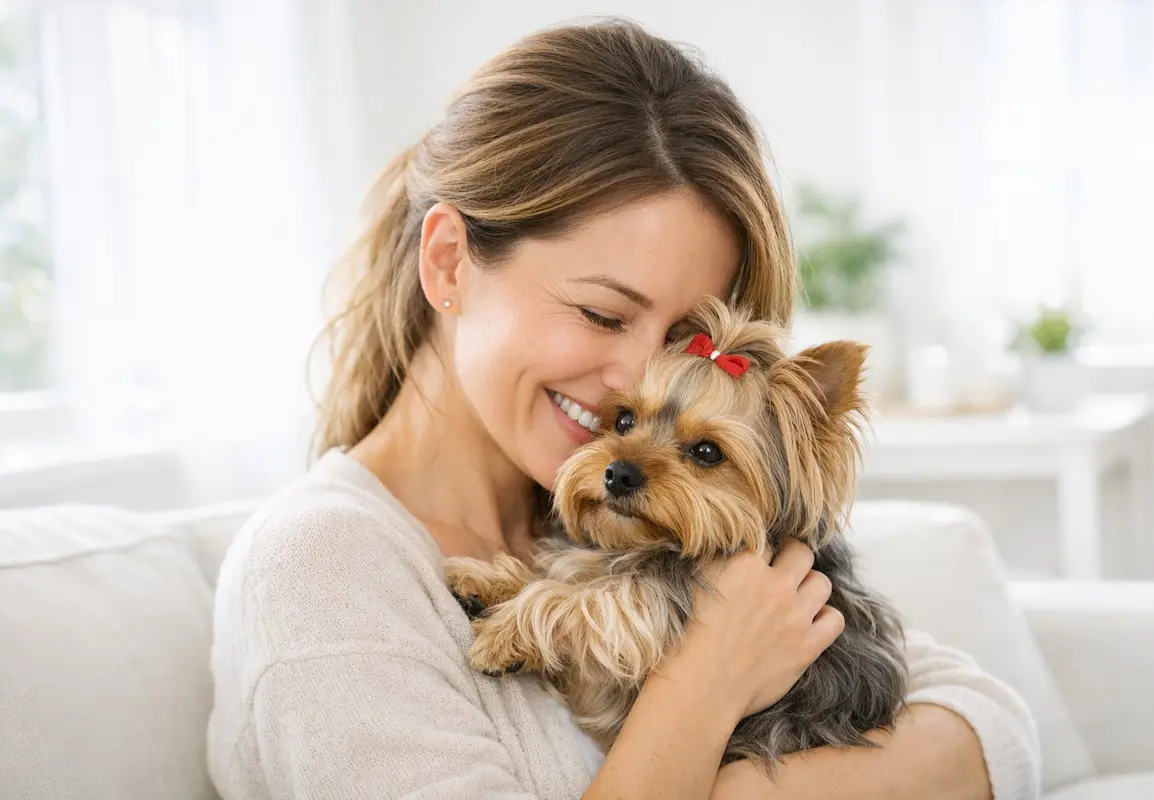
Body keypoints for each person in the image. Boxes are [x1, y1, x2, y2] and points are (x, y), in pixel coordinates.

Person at [207, 19, 1039, 800]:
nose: (636, 381)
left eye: (681, 336)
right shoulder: (323, 568)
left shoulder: (632, 524)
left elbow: (992, 731)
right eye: (602, 314)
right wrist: (706, 683)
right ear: (451, 263)